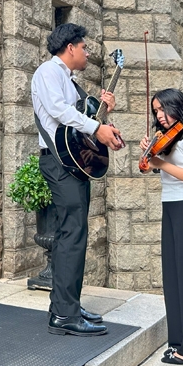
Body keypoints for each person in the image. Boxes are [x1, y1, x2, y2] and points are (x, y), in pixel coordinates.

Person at [31, 23, 123, 336]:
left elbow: (79, 120)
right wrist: (97, 129)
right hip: (59, 164)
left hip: (73, 164)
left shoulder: (69, 81)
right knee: (71, 235)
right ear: (70, 47)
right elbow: (58, 111)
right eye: (84, 47)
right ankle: (64, 315)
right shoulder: (48, 72)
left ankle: (67, 304)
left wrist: (102, 114)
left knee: (76, 234)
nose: (87, 53)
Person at [138, 88, 183, 364]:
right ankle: (181, 341)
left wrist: (160, 163)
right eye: (155, 111)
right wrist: (149, 158)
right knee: (174, 278)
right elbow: (148, 168)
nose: (159, 115)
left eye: (162, 109)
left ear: (176, 107)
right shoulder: (167, 140)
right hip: (171, 207)